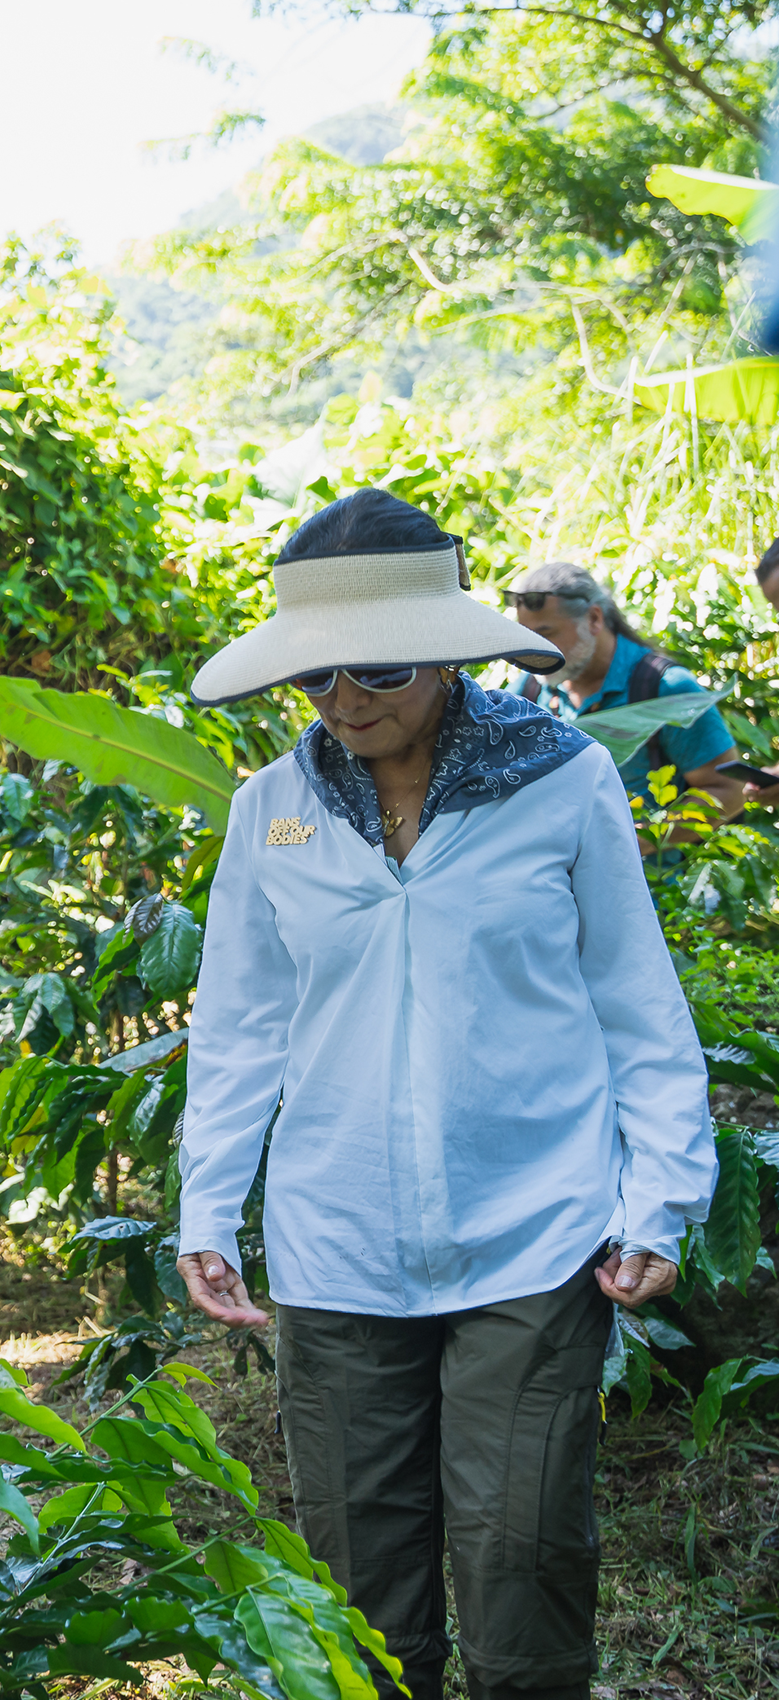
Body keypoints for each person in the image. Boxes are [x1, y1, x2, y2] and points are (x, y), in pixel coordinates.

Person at [177, 487, 716, 1700]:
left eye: (372, 667)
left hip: (535, 1231)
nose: (344, 701)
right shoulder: (271, 809)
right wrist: (207, 1205)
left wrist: (659, 1197)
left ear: (447, 649)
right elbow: (242, 1023)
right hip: (336, 1241)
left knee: (522, 1560)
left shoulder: (563, 782)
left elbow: (637, 1002)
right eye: (314, 678)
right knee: (363, 1598)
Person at [503, 561, 745, 819]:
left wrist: (641, 841)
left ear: (594, 618)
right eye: (525, 636)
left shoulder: (665, 689)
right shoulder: (528, 689)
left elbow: (730, 791)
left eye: (545, 634)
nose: (532, 651)